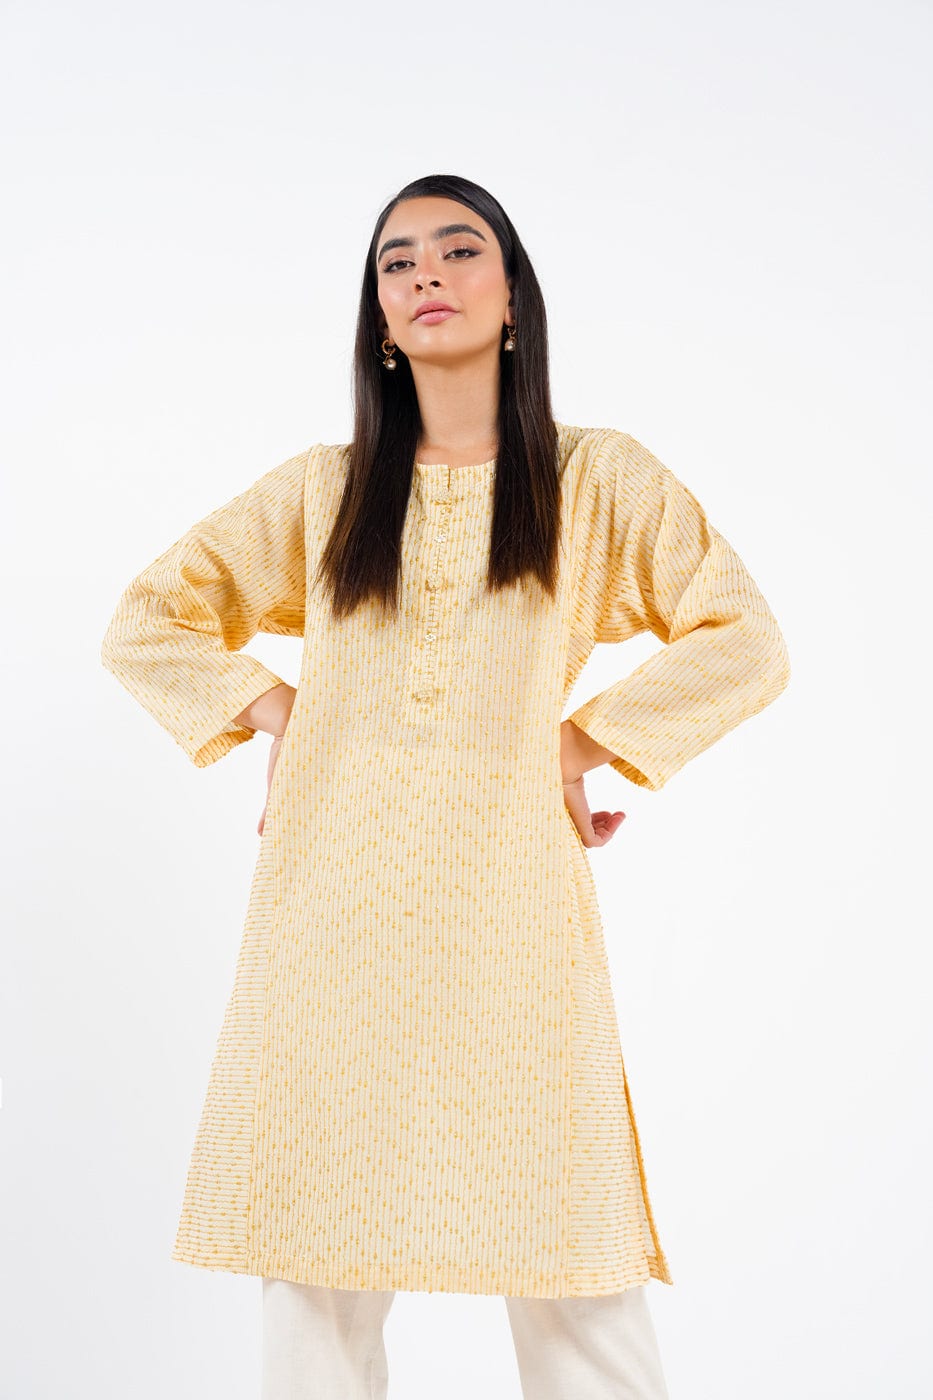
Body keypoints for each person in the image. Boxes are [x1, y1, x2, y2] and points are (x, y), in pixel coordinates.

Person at [100, 172, 791, 1399]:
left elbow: (744, 636)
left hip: (513, 921)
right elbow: (149, 616)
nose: (425, 273)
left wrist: (574, 743)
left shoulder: (593, 478)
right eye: (397, 259)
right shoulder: (326, 489)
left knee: (572, 1257)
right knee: (312, 1268)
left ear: (514, 295)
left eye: (459, 249)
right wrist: (281, 711)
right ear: (378, 317)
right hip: (329, 921)